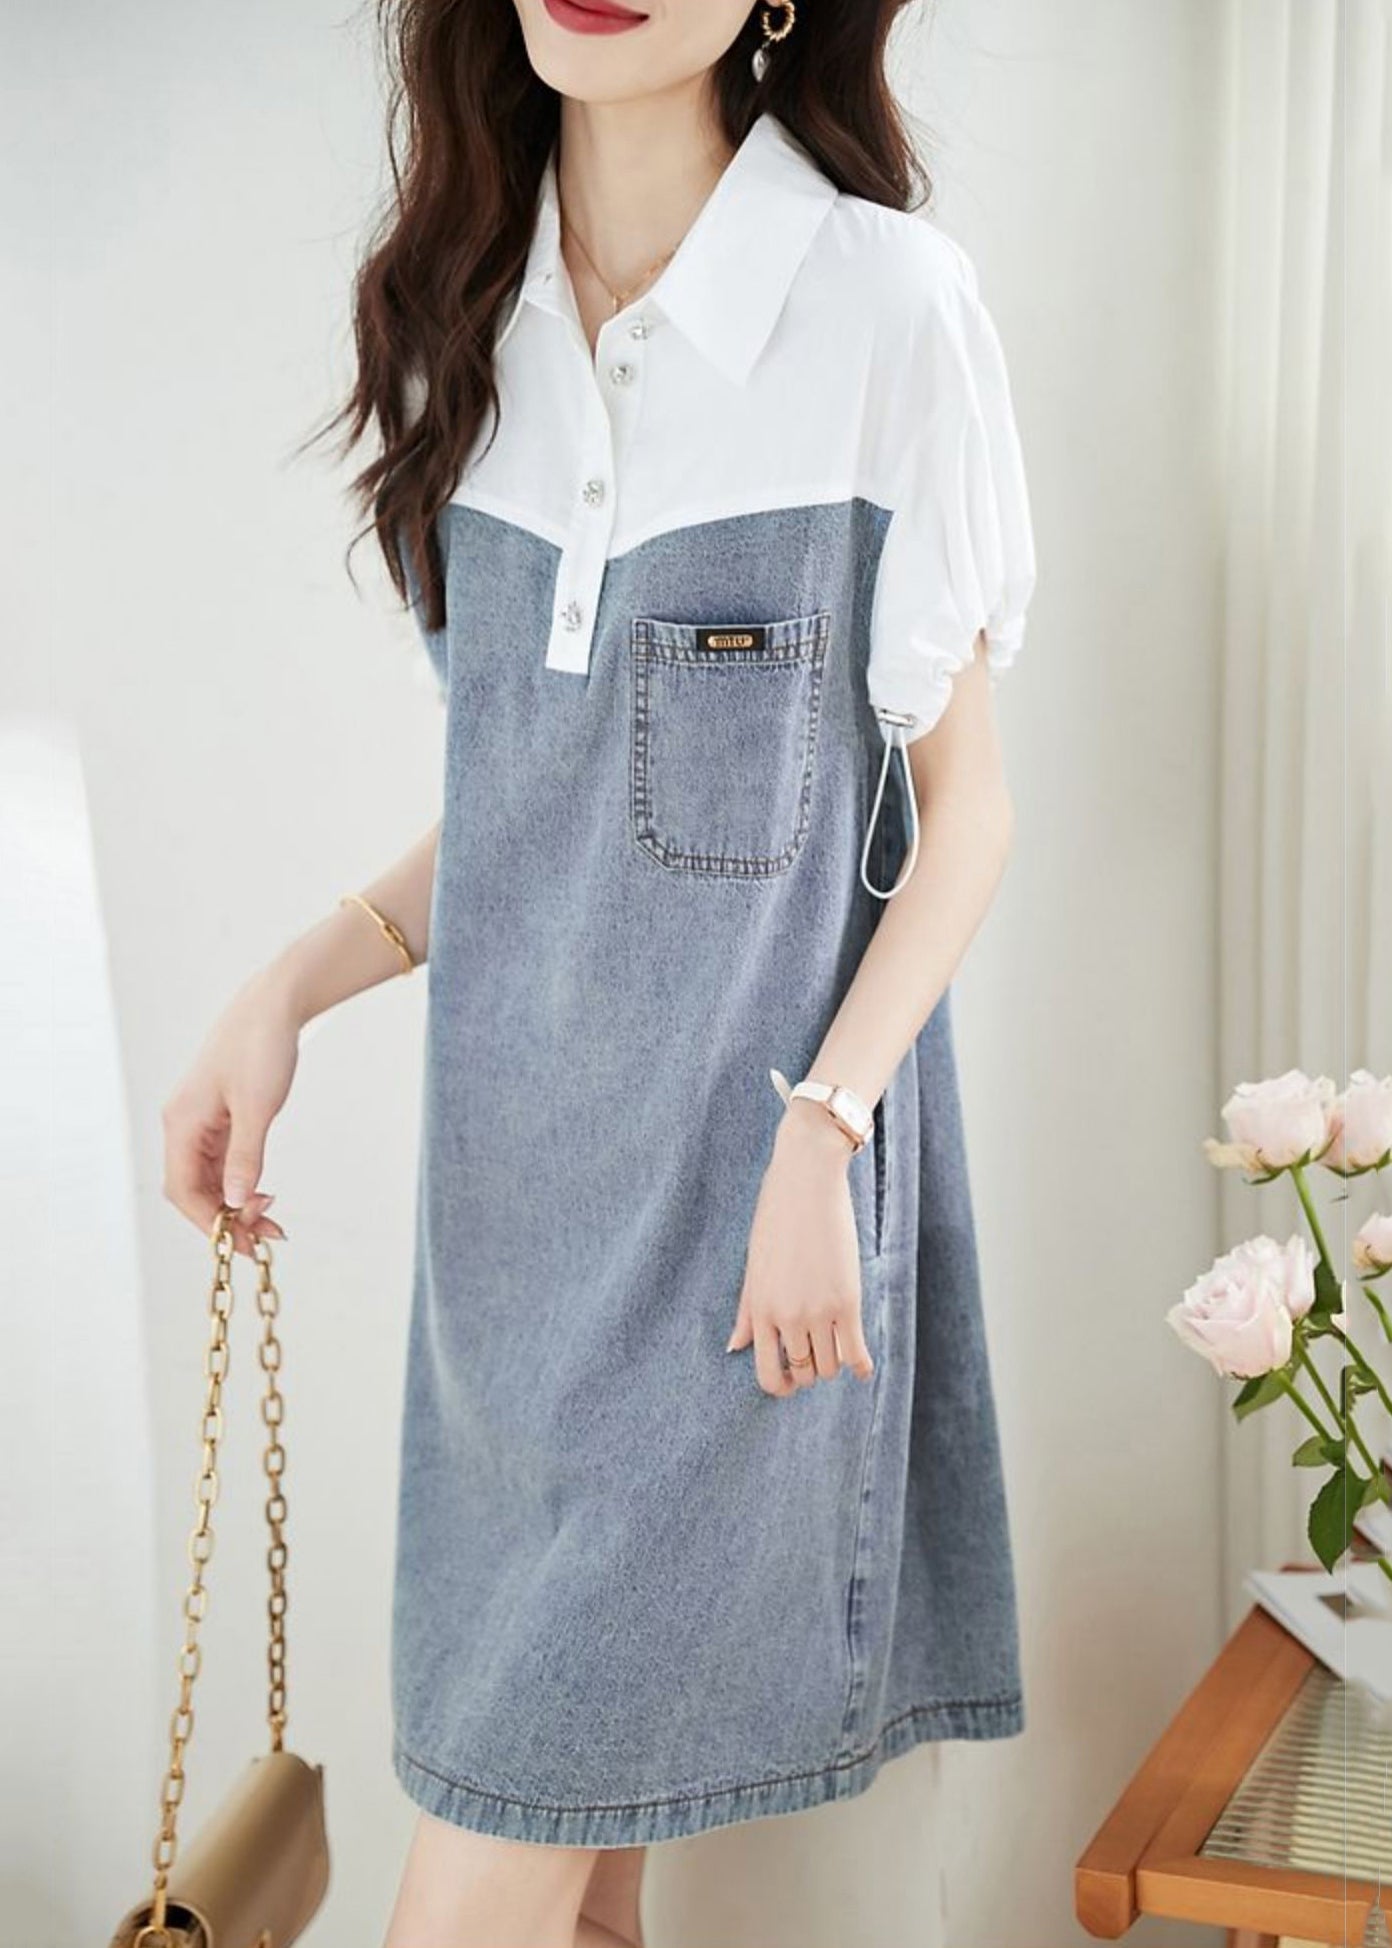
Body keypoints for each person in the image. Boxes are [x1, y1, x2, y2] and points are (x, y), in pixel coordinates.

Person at [160, 1, 1038, 1942]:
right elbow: (534, 809)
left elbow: (967, 816)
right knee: (576, 1900)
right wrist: (286, 988)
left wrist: (826, 1134)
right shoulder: (463, 322)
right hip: (510, 1265)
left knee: (482, 1876)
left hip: (740, 1254)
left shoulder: (884, 308)